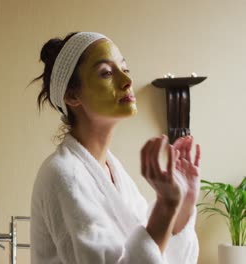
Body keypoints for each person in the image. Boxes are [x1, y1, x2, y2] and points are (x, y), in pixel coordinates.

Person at [30, 32, 201, 264]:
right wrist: (166, 204)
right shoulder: (63, 174)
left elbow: (161, 252)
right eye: (106, 73)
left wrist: (184, 203)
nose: (126, 80)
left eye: (125, 69)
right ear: (72, 95)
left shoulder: (112, 171)